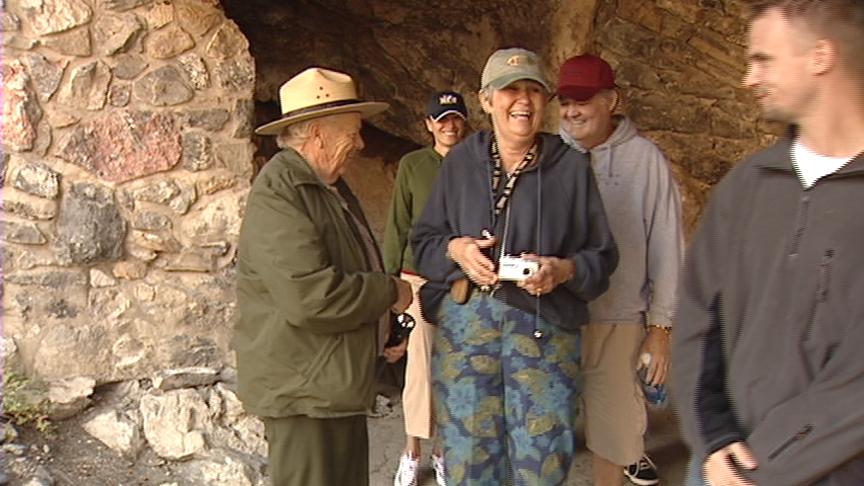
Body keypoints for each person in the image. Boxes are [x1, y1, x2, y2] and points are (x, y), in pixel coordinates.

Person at [672, 1, 864, 485]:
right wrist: (713, 441)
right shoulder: (748, 184)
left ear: (820, 56)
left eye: (763, 60)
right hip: (722, 468)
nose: (748, 79)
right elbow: (699, 318)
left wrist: (767, 465)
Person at [412, 47, 618, 485]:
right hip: (466, 338)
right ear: (486, 100)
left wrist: (560, 271)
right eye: (510, 90)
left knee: (541, 466)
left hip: (543, 337)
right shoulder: (460, 163)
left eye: (533, 91)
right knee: (468, 465)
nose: (522, 102)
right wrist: (458, 251)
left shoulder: (570, 168)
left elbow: (601, 258)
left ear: (547, 101)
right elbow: (423, 244)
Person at [233, 67, 413, 486]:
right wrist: (390, 292)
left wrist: (383, 332)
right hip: (305, 393)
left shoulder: (325, 187)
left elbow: (349, 267)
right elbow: (312, 298)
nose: (362, 143)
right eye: (352, 131)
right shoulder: (281, 193)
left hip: (331, 387)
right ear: (317, 134)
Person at [557, 54, 684, 486]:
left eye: (583, 101)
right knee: (542, 434)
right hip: (553, 319)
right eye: (565, 101)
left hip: (617, 320)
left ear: (612, 99)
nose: (572, 111)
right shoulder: (549, 155)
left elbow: (668, 246)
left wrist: (661, 328)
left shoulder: (646, 160)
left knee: (613, 440)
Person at [385, 90, 469, 486]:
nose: (449, 126)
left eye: (455, 119)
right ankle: (411, 450)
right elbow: (397, 222)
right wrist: (390, 280)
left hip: (462, 280)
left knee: (456, 368)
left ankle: (442, 452)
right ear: (428, 124)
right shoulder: (413, 165)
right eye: (441, 119)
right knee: (419, 365)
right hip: (418, 277)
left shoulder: (477, 166)